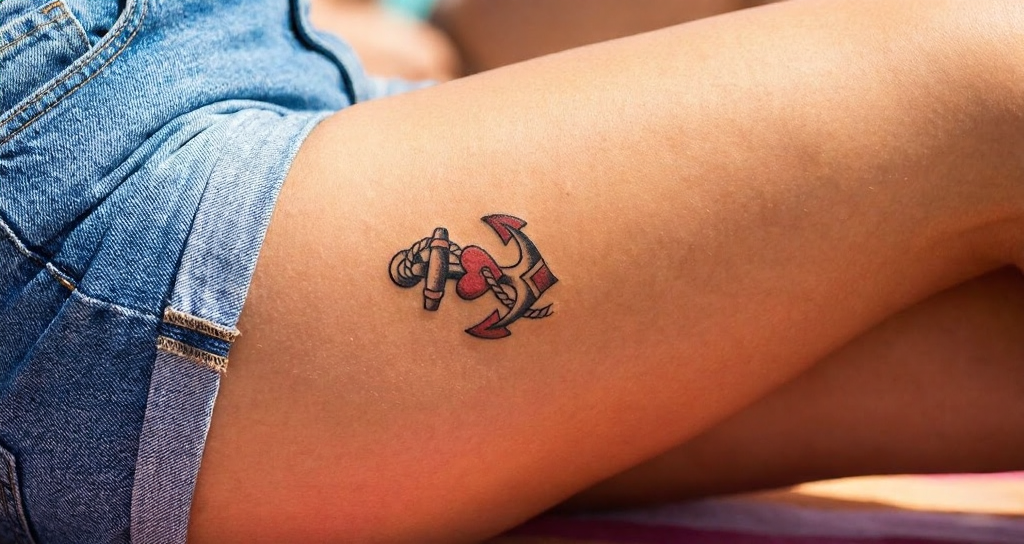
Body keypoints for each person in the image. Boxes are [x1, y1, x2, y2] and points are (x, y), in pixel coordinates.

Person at [1, 1, 1022, 543]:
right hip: (102, 210)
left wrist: (419, 50)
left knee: (984, 345)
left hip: (208, 68)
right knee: (995, 97)